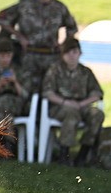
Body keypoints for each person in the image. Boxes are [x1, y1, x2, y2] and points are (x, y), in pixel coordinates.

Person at [0, 0, 77, 96]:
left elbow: (72, 27)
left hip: (51, 56)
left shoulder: (59, 8)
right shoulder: (26, 6)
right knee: (28, 90)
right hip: (30, 55)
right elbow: (2, 19)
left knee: (51, 90)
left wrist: (64, 45)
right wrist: (19, 35)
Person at [42, 37, 104, 166]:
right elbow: (47, 92)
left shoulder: (85, 72)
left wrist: (82, 104)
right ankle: (64, 154)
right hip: (60, 106)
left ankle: (83, 153)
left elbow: (97, 93)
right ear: (62, 54)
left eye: (74, 52)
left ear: (80, 53)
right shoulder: (55, 70)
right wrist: (65, 102)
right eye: (68, 52)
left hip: (82, 105)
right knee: (71, 113)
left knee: (97, 114)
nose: (71, 55)